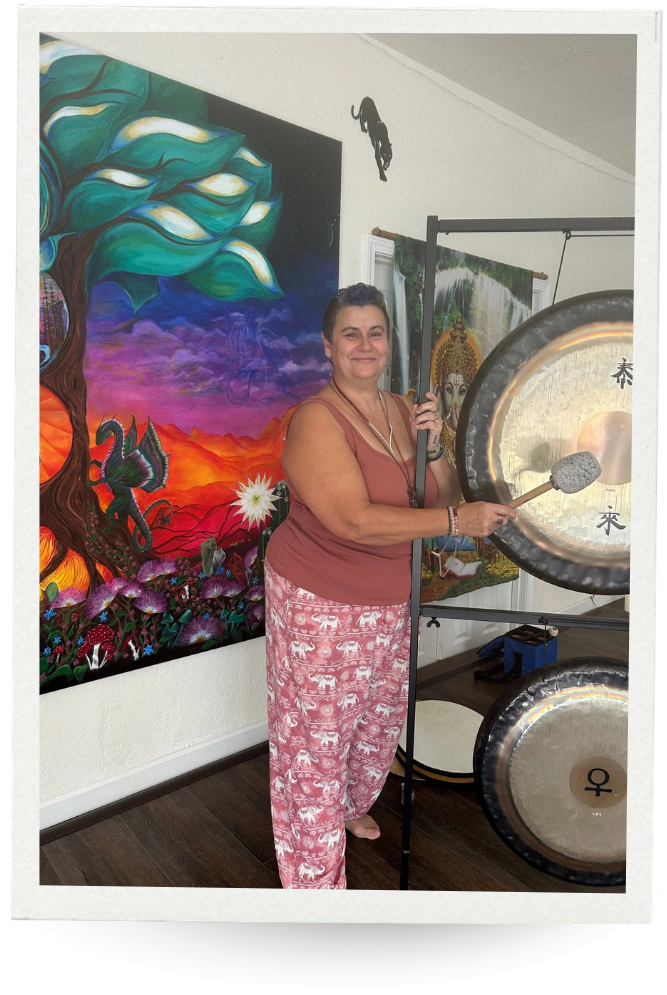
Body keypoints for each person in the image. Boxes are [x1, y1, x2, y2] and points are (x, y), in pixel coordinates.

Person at [263, 283, 516, 889]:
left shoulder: (405, 409)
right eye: (350, 333)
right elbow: (353, 518)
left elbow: (446, 493)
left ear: (388, 342)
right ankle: (314, 891)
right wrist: (456, 523)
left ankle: (350, 809)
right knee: (314, 749)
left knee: (376, 725)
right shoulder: (314, 420)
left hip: (390, 598)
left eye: (376, 332)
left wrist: (433, 450)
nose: (365, 344)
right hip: (318, 603)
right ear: (329, 345)